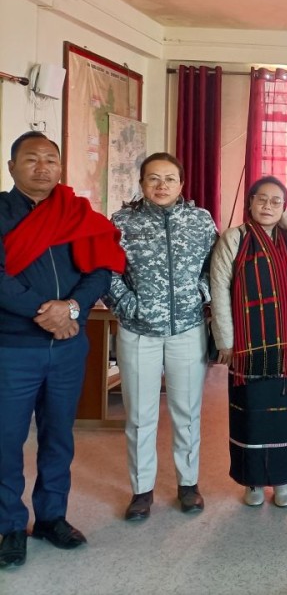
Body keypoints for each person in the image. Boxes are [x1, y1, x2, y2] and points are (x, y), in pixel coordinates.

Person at [0, 131, 124, 569]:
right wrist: (44, 311)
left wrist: (71, 307)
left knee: (59, 437)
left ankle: (52, 516)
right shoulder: (0, 211)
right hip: (12, 346)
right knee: (6, 439)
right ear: (12, 166)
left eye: (51, 159)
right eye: (31, 159)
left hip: (68, 345)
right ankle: (9, 525)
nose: (42, 167)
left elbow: (102, 269)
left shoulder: (76, 213)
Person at [105, 152, 218, 521]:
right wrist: (129, 306)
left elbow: (215, 267)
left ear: (182, 184)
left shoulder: (201, 221)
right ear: (141, 184)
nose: (161, 185)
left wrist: (200, 295)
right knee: (140, 415)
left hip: (187, 330)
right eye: (153, 178)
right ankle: (142, 490)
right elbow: (106, 273)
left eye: (169, 178)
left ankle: (188, 484)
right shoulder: (123, 222)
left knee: (187, 412)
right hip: (139, 333)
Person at [209, 176, 287, 508]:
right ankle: (253, 481)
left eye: (276, 201)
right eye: (262, 200)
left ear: (284, 207)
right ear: (250, 202)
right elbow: (220, 289)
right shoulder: (234, 238)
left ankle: (283, 480)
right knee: (251, 413)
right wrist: (225, 340)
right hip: (249, 347)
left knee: (285, 414)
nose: (267, 207)